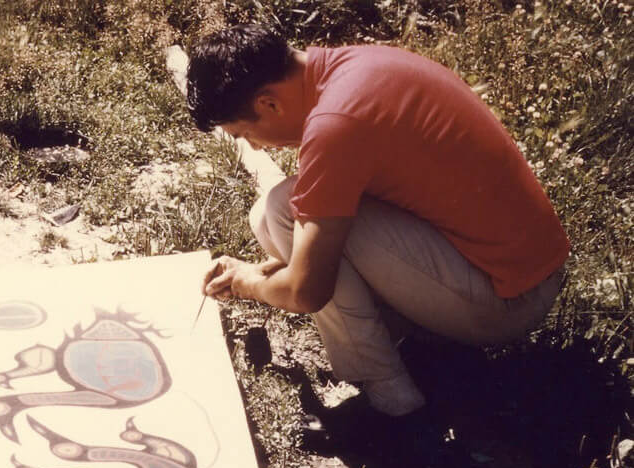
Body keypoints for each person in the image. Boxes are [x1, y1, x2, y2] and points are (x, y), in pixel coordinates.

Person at [187, 24, 569, 421]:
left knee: (282, 210)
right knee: (270, 216)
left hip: (506, 300)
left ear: (269, 104)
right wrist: (283, 268)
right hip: (521, 271)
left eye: (244, 133)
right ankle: (404, 345)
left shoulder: (335, 122)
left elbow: (307, 291)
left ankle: (388, 393)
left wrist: (249, 283)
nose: (253, 146)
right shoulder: (353, 66)